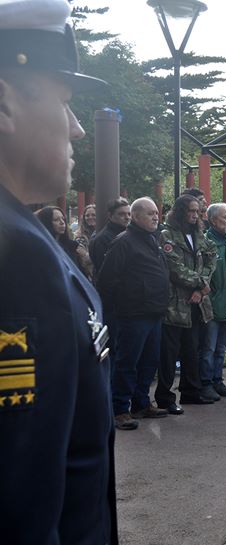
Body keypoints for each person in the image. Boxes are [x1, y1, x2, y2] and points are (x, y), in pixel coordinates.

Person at [0, 0, 117, 542]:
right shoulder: (16, 256)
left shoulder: (22, 233)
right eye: (64, 103)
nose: (76, 130)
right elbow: (19, 499)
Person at [97, 198, 169, 429]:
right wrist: (122, 306)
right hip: (132, 315)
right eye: (149, 213)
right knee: (127, 363)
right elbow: (107, 280)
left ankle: (141, 403)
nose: (155, 217)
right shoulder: (124, 242)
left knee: (149, 362)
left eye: (156, 213)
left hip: (154, 312)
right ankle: (120, 409)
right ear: (135, 217)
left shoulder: (152, 239)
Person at [156, 194, 216, 410]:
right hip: (175, 304)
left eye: (197, 211)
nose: (194, 215)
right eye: (190, 211)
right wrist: (200, 284)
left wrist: (202, 286)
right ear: (180, 211)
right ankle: (164, 397)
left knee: (192, 349)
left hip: (196, 302)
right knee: (169, 354)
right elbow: (175, 268)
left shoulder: (199, 234)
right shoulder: (167, 235)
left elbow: (211, 257)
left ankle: (191, 391)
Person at [198, 203, 226, 401]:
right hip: (212, 308)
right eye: (225, 217)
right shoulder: (206, 244)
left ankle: (217, 380)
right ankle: (205, 383)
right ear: (213, 220)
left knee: (221, 349)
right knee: (208, 349)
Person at [35, 205, 92, 279]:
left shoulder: (72, 247)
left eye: (63, 219)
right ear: (47, 222)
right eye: (56, 220)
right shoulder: (42, 249)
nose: (62, 222)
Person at [89, 196, 130, 276]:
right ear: (110, 216)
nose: (127, 217)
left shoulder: (129, 235)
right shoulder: (102, 240)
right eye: (122, 214)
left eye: (129, 214)